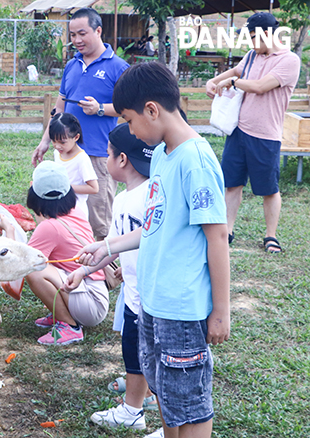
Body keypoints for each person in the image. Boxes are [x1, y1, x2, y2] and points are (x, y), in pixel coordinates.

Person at [76, 62, 230, 438]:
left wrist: (221, 311)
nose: (130, 130)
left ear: (151, 110)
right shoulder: (162, 154)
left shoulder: (196, 161)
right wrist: (107, 246)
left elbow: (217, 238)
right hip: (152, 300)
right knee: (164, 388)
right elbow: (154, 226)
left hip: (181, 306)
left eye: (128, 120)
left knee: (190, 401)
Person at [65, 123, 158, 431]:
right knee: (132, 354)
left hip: (155, 298)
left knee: (157, 362)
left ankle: (172, 425)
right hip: (131, 295)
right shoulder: (121, 200)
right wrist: (82, 271)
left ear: (121, 160)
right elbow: (113, 248)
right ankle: (132, 412)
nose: (104, 160)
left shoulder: (153, 196)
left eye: (106, 154)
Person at [206, 12, 300, 253]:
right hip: (238, 131)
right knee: (232, 184)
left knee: (268, 188)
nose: (250, 44)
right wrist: (214, 80)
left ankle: (271, 236)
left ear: (267, 34)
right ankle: (227, 230)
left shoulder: (289, 60)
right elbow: (237, 72)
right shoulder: (251, 56)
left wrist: (232, 83)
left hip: (266, 135)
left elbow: (259, 86)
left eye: (253, 38)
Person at [32, 7, 129, 241]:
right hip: (66, 155)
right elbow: (59, 109)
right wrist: (46, 141)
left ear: (98, 31)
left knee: (99, 222)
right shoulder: (71, 66)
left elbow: (130, 109)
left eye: (82, 34)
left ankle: (108, 276)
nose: (76, 40)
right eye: (72, 35)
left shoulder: (118, 67)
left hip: (97, 154)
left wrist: (100, 109)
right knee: (65, 217)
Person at [2, 161, 108, 346]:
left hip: (91, 304)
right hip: (95, 295)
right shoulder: (75, 212)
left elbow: (22, 262)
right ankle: (60, 312)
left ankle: (68, 325)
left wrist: (9, 231)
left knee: (35, 271)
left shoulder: (49, 227)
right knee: (43, 265)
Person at [49, 112, 99, 219]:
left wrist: (66, 187)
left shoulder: (81, 159)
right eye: (54, 141)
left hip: (77, 212)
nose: (57, 146)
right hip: (60, 209)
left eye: (62, 142)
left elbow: (94, 188)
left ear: (76, 137)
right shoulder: (57, 153)